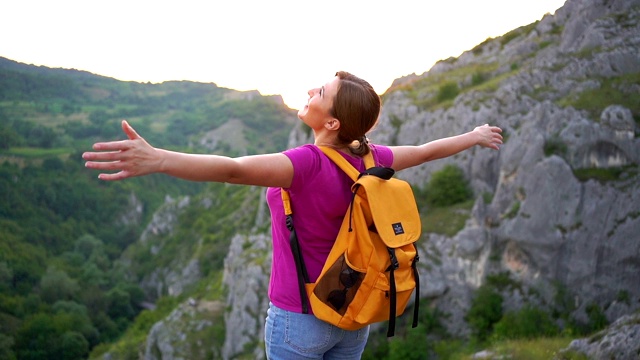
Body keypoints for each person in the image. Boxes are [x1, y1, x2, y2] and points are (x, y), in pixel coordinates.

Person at [83, 71, 503, 359]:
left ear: (334, 122)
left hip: (299, 319)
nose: (309, 93)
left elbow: (232, 168)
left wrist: (158, 159)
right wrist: (473, 136)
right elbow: (426, 150)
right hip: (353, 314)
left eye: (319, 94)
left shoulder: (305, 164)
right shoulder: (374, 157)